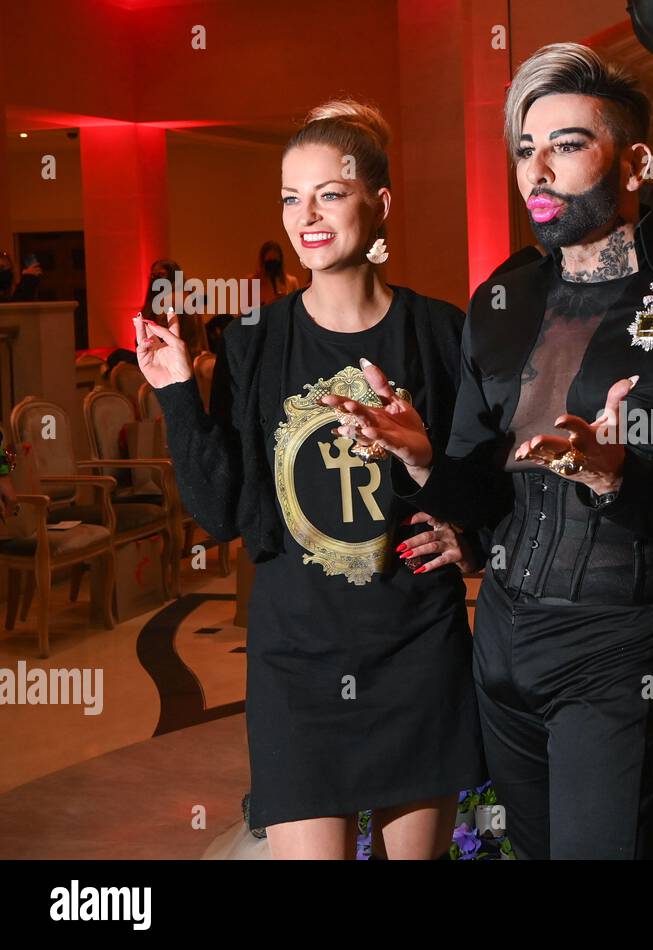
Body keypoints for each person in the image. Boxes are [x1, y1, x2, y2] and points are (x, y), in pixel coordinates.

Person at [323, 43, 653, 859]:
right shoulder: (503, 294)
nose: (537, 172)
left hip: (610, 647)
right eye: (526, 148)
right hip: (501, 642)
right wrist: (424, 463)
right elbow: (482, 493)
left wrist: (617, 473)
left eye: (564, 145)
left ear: (634, 163)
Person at [137, 99, 486, 859]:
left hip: (415, 649)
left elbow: (481, 489)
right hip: (296, 659)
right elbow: (221, 514)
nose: (309, 214)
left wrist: (461, 522)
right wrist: (174, 392)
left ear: (380, 203)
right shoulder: (254, 344)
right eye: (292, 197)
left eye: (331, 192)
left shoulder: (441, 332)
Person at [251, 240, 301, 307]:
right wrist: (267, 304)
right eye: (269, 261)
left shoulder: (292, 282)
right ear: (263, 262)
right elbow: (244, 314)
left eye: (275, 261)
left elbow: (298, 309)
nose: (272, 267)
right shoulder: (251, 282)